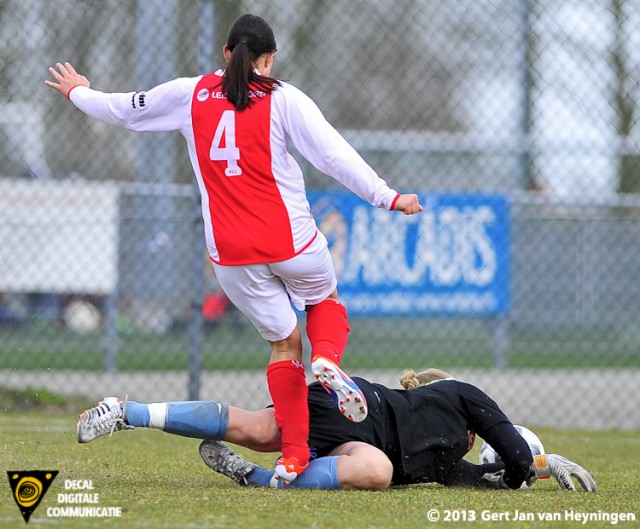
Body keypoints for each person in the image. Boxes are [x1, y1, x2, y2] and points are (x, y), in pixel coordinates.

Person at [45, 13, 423, 483]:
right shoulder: (284, 98)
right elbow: (332, 155)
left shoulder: (190, 94)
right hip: (291, 241)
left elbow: (125, 109)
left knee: (284, 343)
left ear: (226, 52)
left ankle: (291, 456)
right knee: (323, 300)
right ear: (270, 58)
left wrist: (78, 91)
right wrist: (387, 196)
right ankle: (327, 357)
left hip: (232, 255)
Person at [74, 368, 596, 492]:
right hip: (358, 408)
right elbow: (509, 449)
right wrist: (530, 466)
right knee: (256, 427)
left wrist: (540, 472)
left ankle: (257, 479)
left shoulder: (445, 465)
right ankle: (127, 410)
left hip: (363, 446)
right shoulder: (460, 395)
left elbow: (485, 479)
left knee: (377, 471)